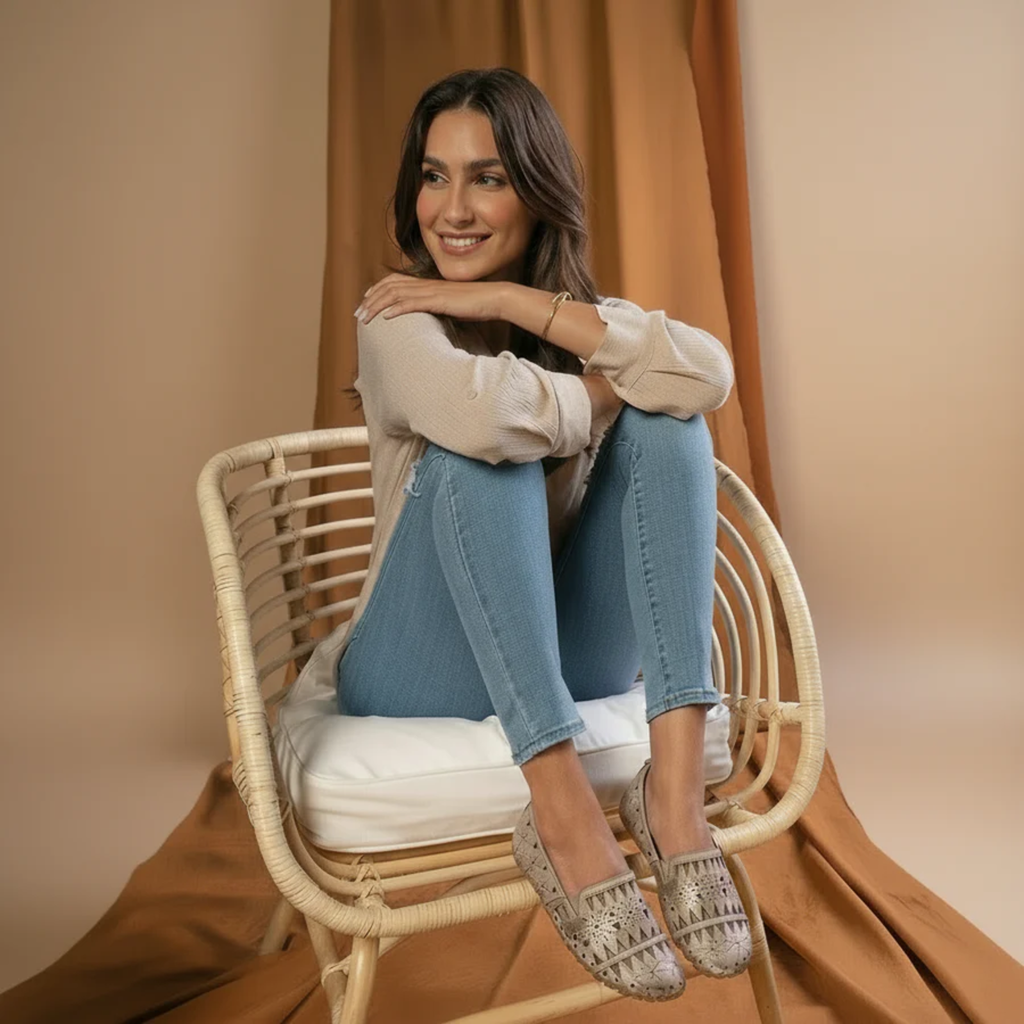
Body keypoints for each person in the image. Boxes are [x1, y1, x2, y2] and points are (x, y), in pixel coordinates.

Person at [336, 67, 751, 999]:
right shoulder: (393, 314)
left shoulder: (575, 319)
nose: (452, 210)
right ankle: (563, 819)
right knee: (482, 457)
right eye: (433, 176)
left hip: (564, 652)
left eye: (487, 177)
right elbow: (479, 417)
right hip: (415, 666)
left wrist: (510, 305)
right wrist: (608, 386)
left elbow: (706, 378)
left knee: (671, 425)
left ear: (536, 189)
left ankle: (675, 803)